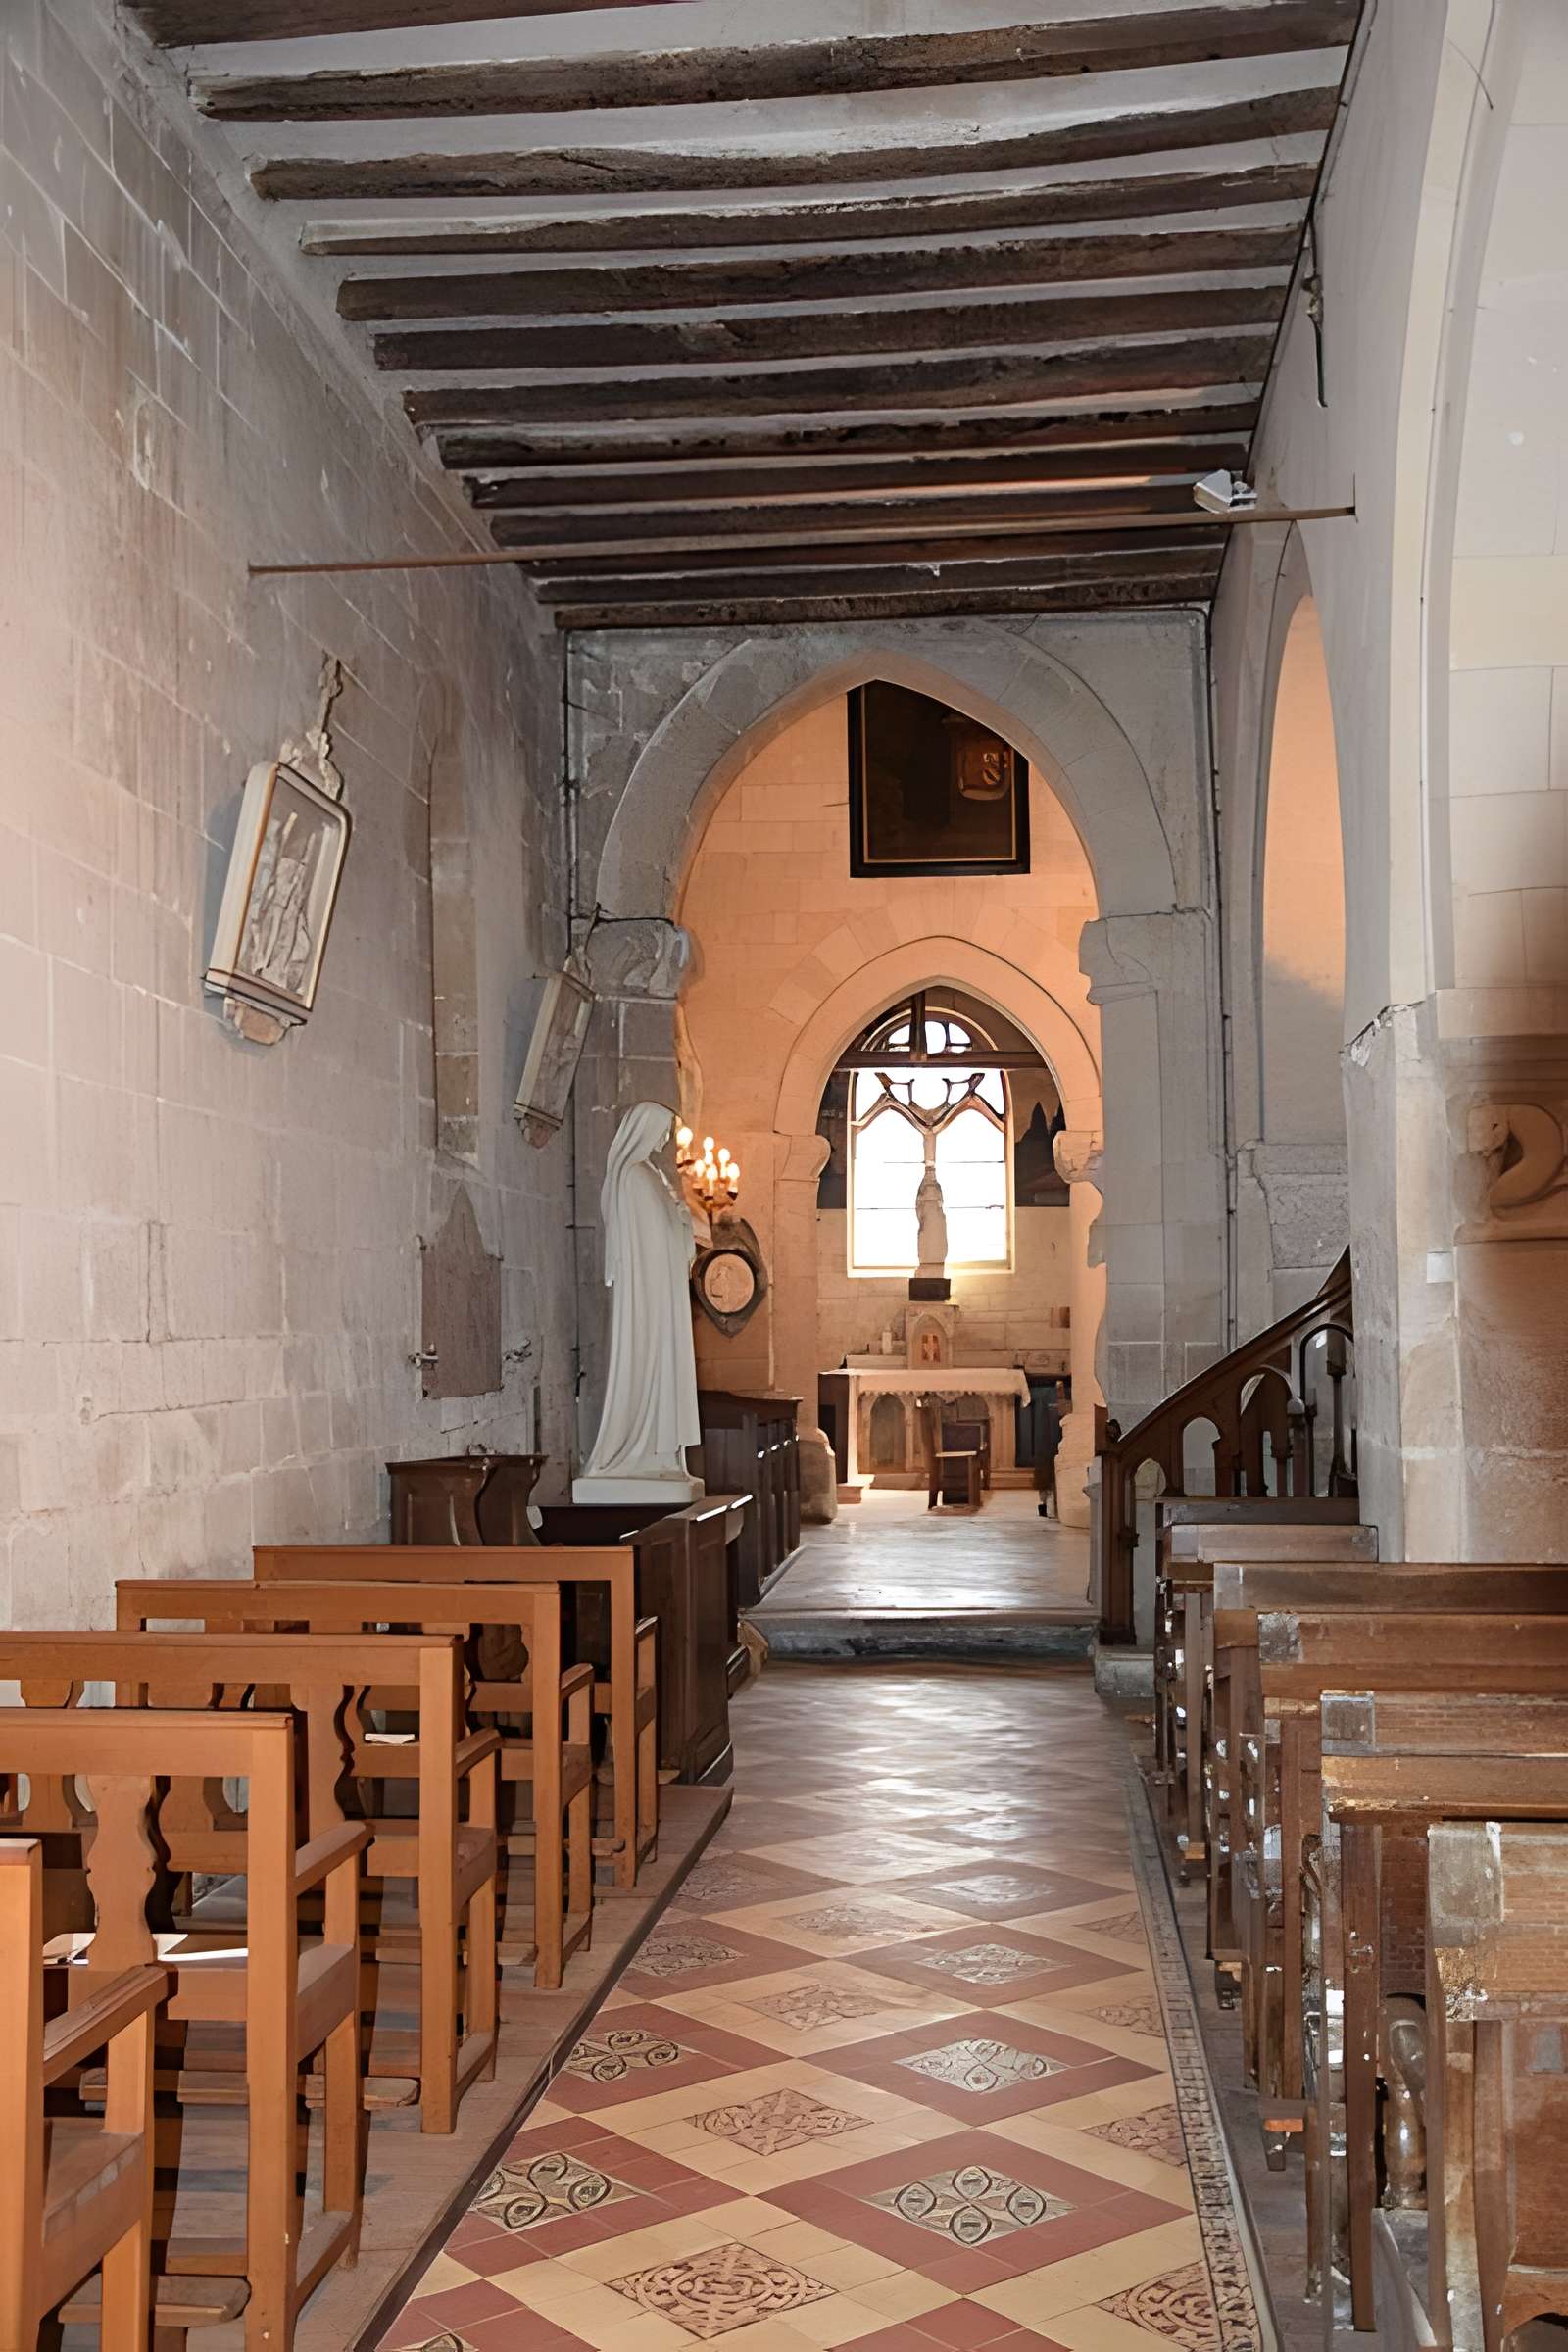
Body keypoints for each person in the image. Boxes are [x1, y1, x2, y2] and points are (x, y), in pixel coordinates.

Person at [576, 1102, 702, 1495]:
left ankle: (660, 1455)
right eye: (662, 1130)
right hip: (649, 1295)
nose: (665, 1139)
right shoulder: (632, 1177)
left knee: (663, 1367)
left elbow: (668, 1232)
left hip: (661, 1291)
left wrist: (682, 1223)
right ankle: (643, 1452)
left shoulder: (648, 1174)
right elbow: (648, 1241)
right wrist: (677, 1223)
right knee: (650, 1364)